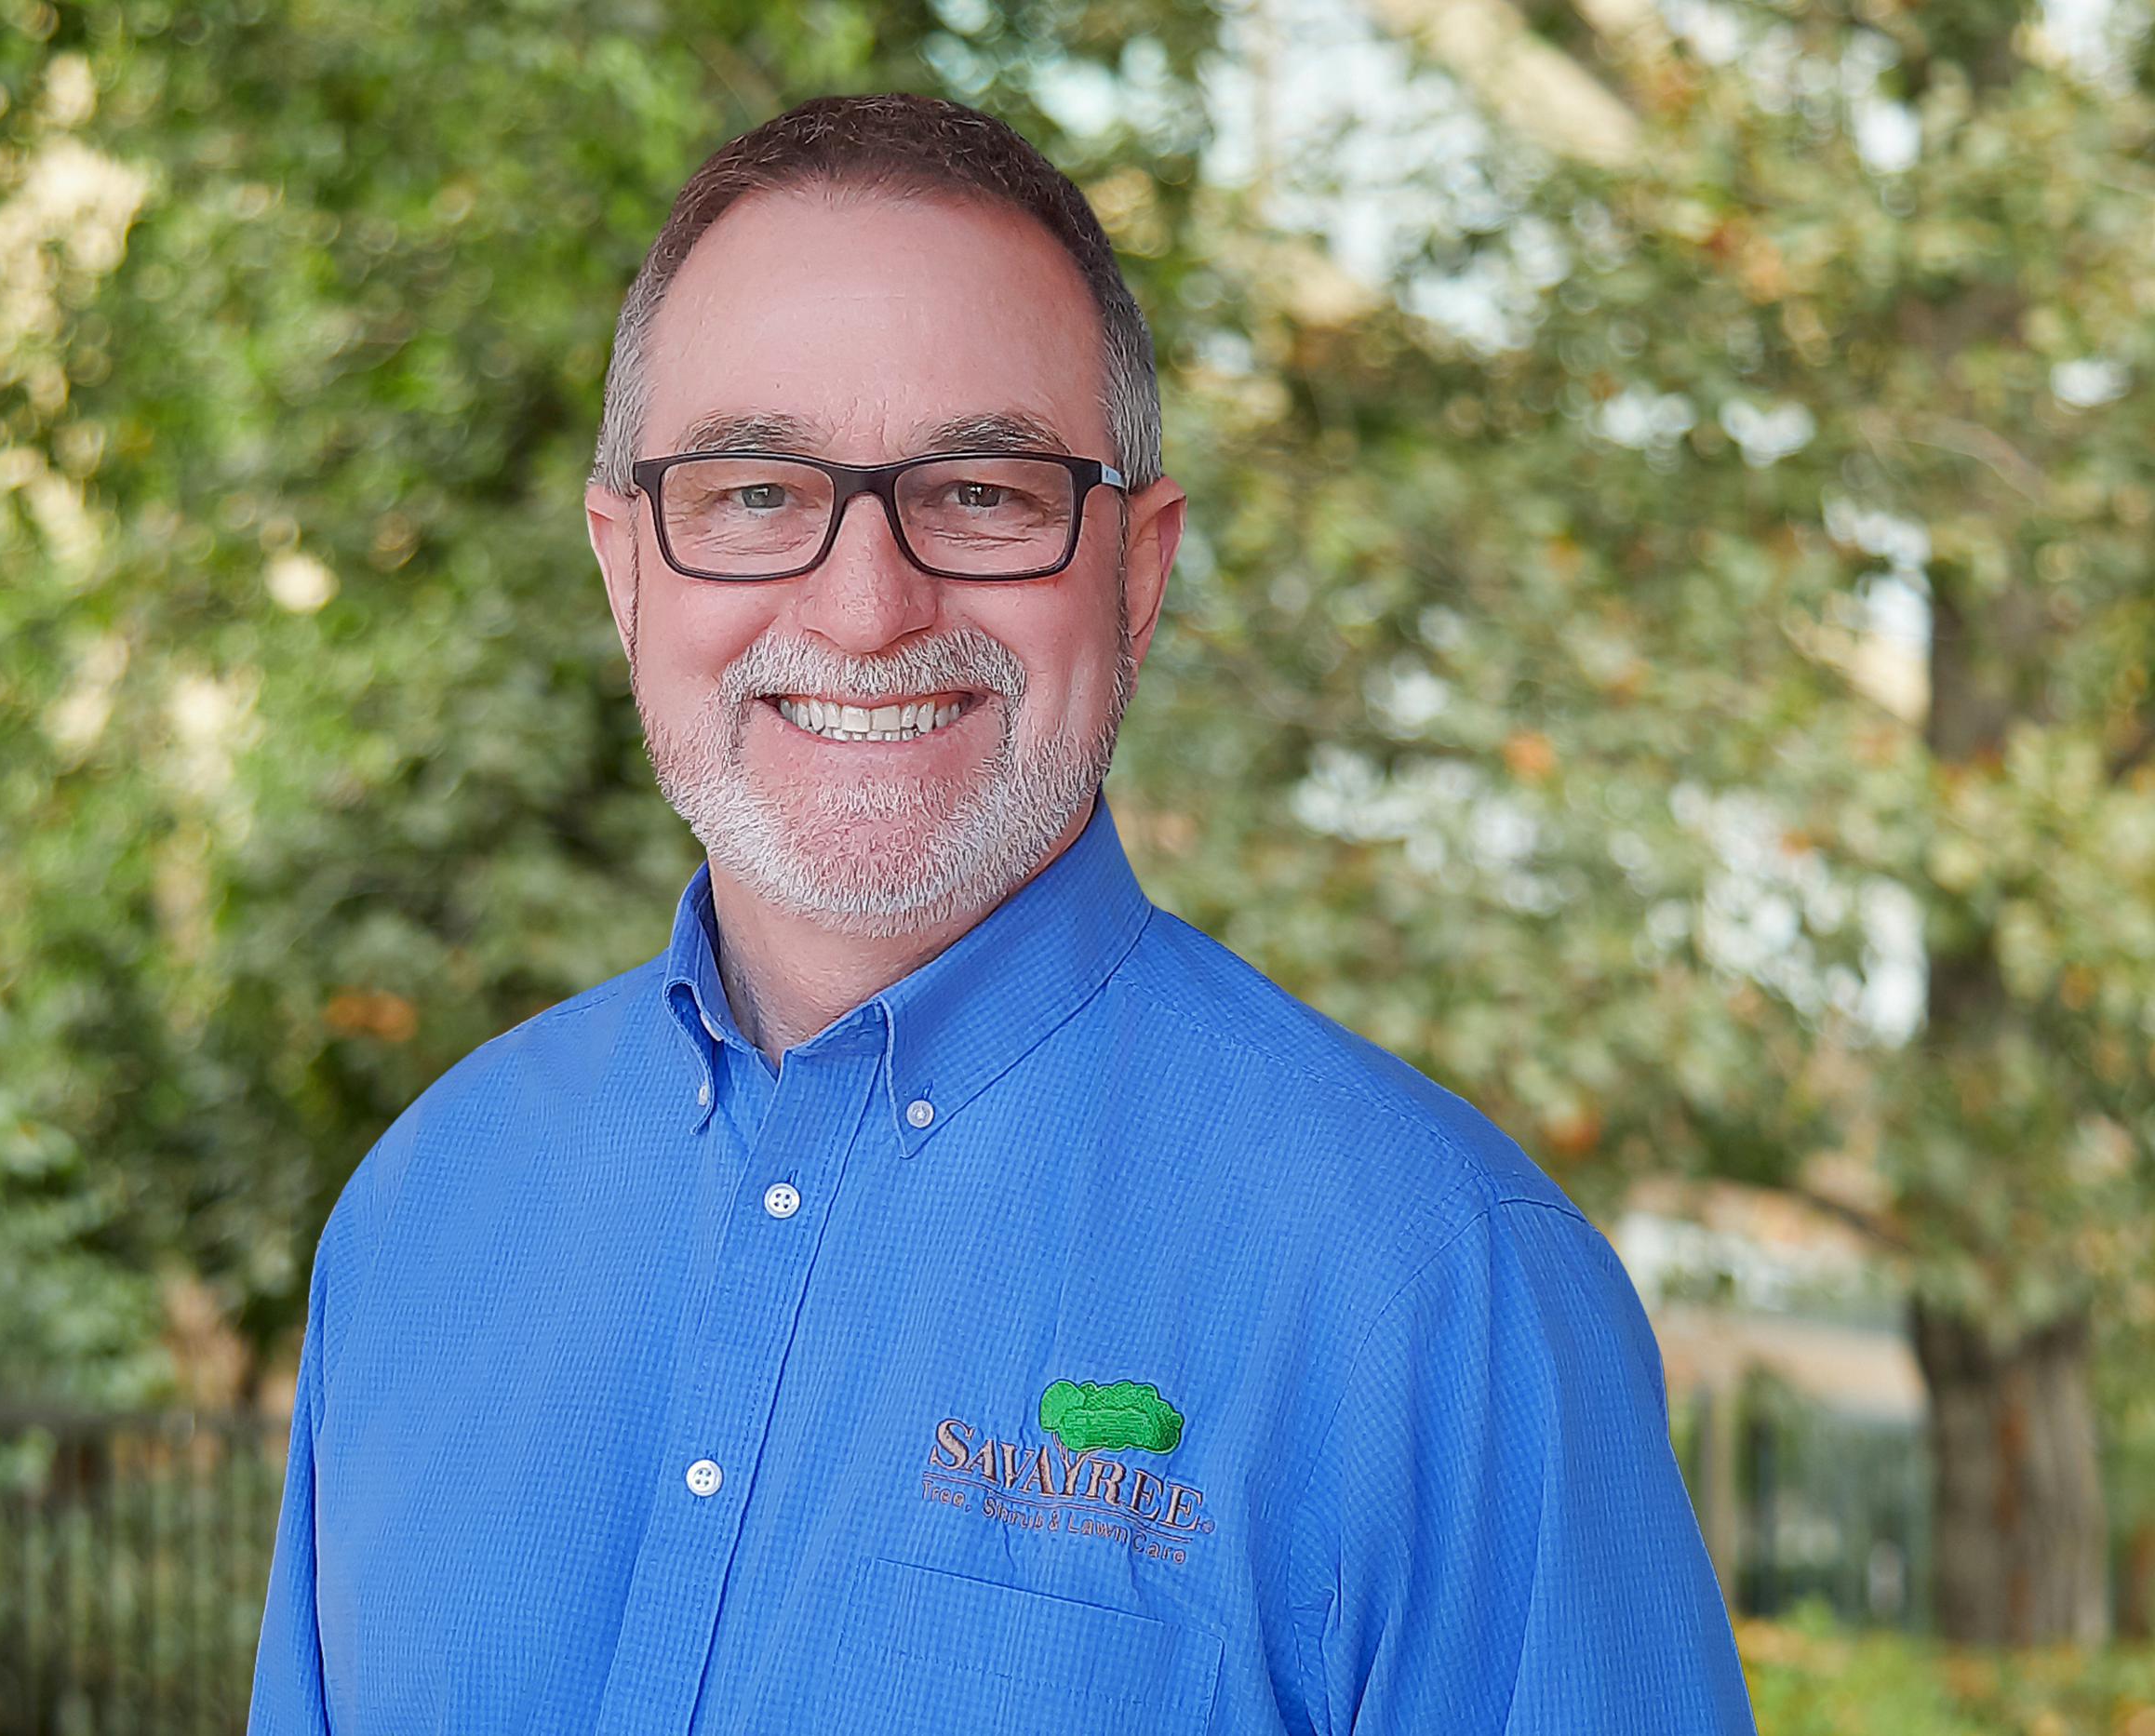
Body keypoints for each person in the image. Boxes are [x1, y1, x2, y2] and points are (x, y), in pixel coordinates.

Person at [246, 91, 1758, 1735]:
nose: (865, 606)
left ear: (1138, 569)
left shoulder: (1446, 1293)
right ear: (626, 567)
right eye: (754, 492)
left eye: (983, 493)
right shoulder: (417, 1218)